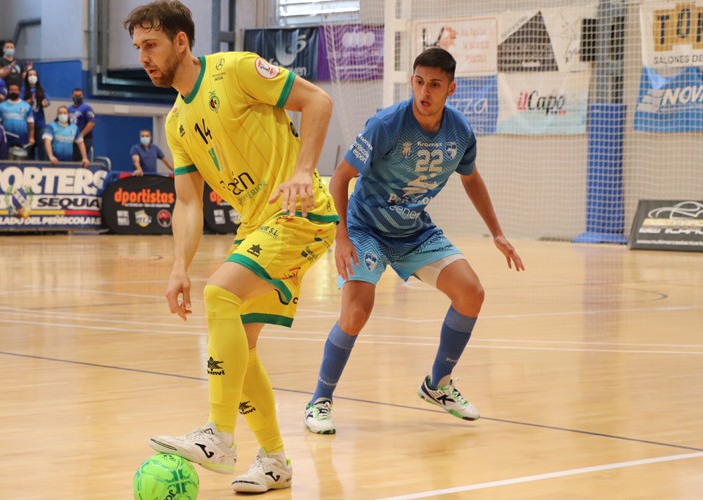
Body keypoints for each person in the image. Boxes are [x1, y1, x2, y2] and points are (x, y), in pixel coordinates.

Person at [124, 1, 338, 494]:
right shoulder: (177, 123)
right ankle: (275, 460)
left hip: (299, 213)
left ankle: (219, 434)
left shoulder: (237, 70)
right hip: (258, 225)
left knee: (220, 294)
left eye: (151, 45)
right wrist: (179, 266)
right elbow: (187, 203)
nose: (144, 58)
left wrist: (304, 170)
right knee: (239, 347)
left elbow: (318, 102)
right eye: (138, 49)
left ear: (182, 42)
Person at [302, 48, 525, 435]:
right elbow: (339, 178)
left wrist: (497, 232)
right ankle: (320, 400)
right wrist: (341, 237)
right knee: (355, 314)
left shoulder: (460, 132)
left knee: (471, 293)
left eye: (435, 85)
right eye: (419, 82)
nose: (425, 92)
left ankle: (437, 385)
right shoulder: (386, 124)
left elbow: (471, 179)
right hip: (365, 228)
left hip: (413, 230)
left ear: (450, 89)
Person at [0, 82, 34, 158]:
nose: (14, 91)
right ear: (9, 91)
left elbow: (31, 124)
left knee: (21, 163)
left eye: (15, 90)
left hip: (22, 139)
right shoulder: (2, 106)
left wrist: (31, 137)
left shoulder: (26, 106)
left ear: (19, 92)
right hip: (6, 139)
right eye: (11, 90)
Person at [23, 68, 49, 160]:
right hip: (27, 123)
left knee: (42, 145)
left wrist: (45, 103)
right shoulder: (23, 89)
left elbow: (47, 101)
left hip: (40, 122)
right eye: (30, 75)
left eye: (34, 75)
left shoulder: (41, 90)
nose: (32, 77)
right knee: (29, 147)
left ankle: (43, 164)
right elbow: (20, 103)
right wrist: (30, 100)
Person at [67, 88, 95, 160]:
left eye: (80, 95)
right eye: (76, 95)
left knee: (78, 158)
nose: (78, 97)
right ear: (72, 96)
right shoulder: (69, 109)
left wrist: (81, 135)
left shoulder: (87, 108)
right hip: (71, 138)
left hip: (84, 138)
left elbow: (92, 122)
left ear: (83, 96)